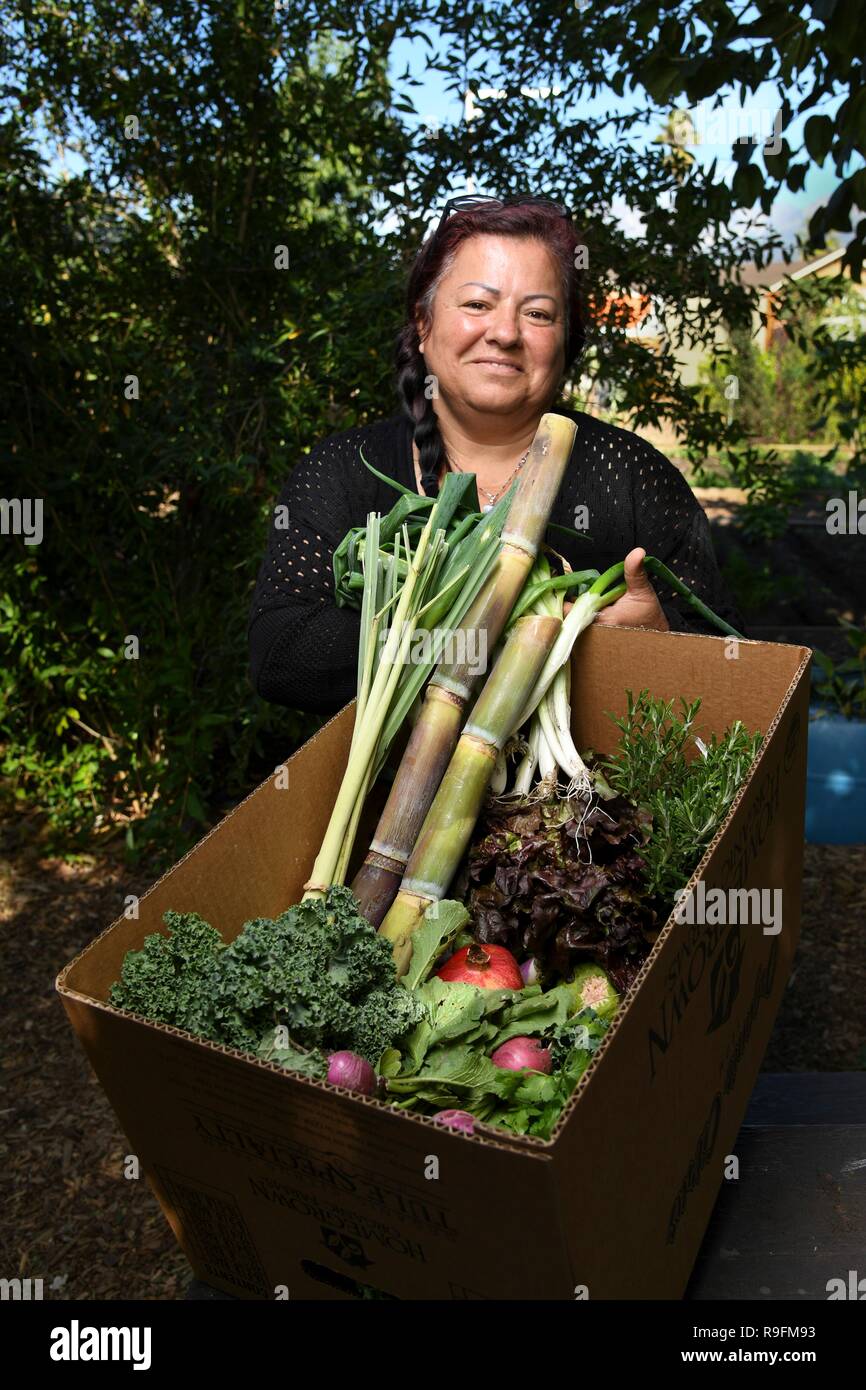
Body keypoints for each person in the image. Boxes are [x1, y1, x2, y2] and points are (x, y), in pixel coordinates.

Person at [248, 194, 743, 717]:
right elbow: (279, 654)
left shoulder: (632, 476)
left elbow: (735, 666)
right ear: (423, 323)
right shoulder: (343, 471)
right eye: (477, 305)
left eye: (537, 314)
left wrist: (656, 647)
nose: (505, 333)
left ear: (566, 343)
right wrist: (491, 635)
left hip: (593, 798)